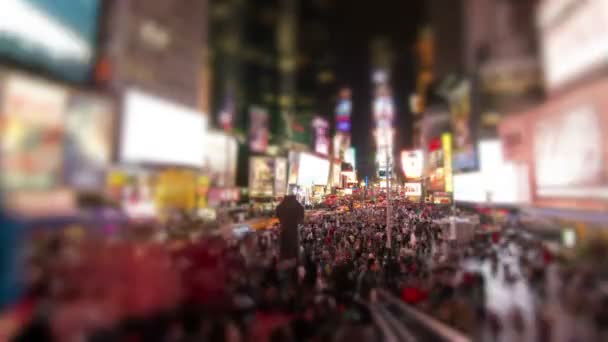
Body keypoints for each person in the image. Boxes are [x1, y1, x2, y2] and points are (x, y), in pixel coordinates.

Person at [276, 195, 305, 265]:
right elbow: (301, 219)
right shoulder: (299, 207)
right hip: (293, 232)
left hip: (284, 231)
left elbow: (278, 216)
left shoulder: (280, 207)